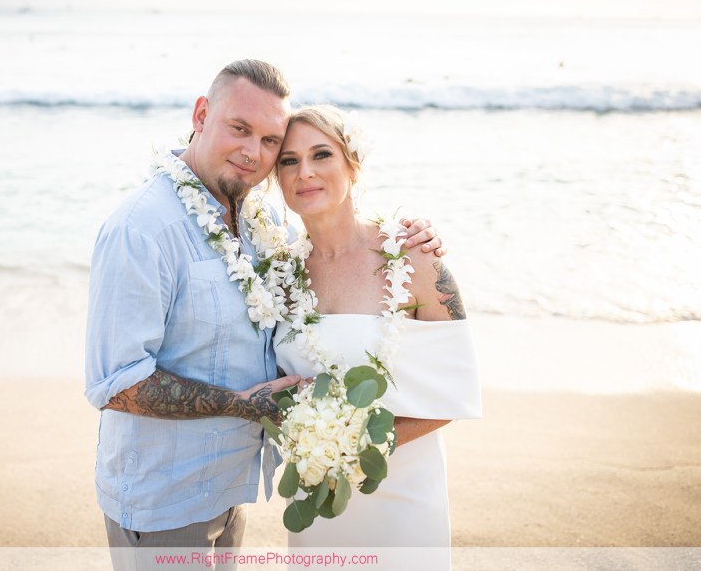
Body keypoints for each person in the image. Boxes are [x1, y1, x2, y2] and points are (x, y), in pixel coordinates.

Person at [84, 60, 444, 567]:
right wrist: (243, 404)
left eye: (270, 140)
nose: (253, 153)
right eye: (239, 129)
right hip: (163, 501)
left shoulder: (262, 222)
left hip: (231, 492)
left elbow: (336, 253)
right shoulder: (142, 230)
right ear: (202, 114)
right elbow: (117, 382)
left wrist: (409, 237)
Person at [272, 105, 482, 569]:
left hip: (402, 501)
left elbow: (455, 393)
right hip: (315, 496)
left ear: (352, 164)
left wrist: (358, 452)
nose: (304, 172)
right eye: (288, 160)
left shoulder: (415, 259)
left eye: (321, 154)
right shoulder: (278, 275)